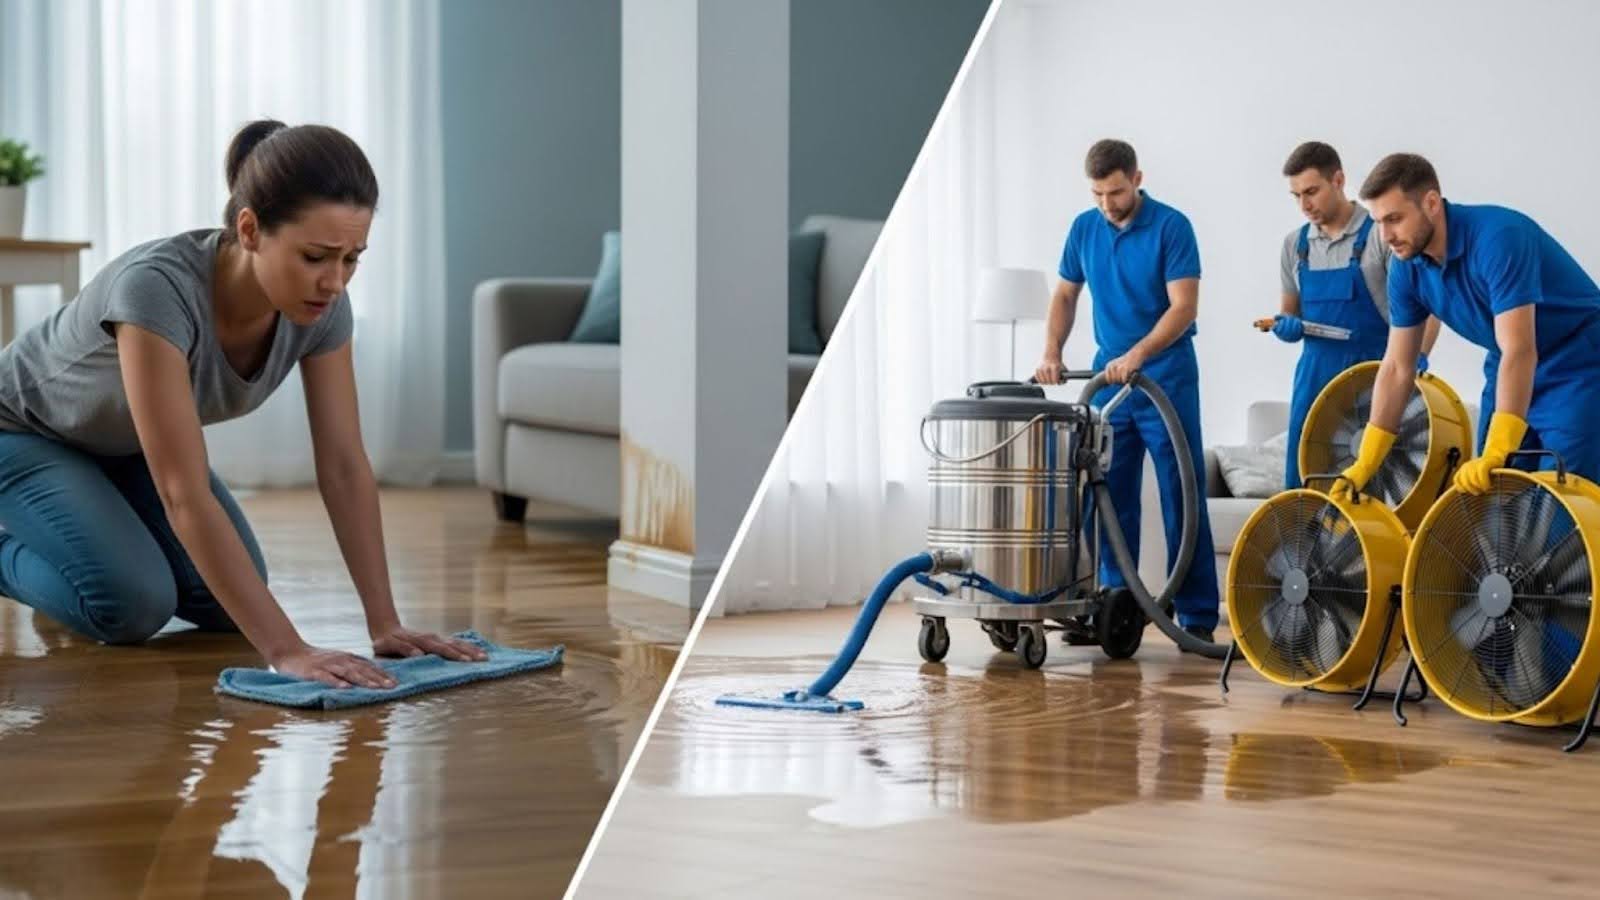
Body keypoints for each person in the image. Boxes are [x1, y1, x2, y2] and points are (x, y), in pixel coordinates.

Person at [0, 119, 485, 687]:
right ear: (251, 229)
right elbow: (181, 491)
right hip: (24, 432)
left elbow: (345, 466)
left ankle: (68, 554)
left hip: (119, 444)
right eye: (315, 257)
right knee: (132, 606)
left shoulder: (323, 311)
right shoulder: (154, 289)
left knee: (227, 603)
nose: (335, 282)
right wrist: (288, 650)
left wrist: (385, 623)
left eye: (352, 259)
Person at [1035, 139, 1219, 644]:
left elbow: (1184, 307)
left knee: (1180, 492)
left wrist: (1139, 354)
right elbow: (1066, 294)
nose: (1107, 204)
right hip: (1108, 380)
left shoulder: (1171, 226)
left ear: (1137, 178)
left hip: (1166, 374)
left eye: (1115, 192)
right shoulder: (1084, 228)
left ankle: (1198, 617)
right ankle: (1117, 612)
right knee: (1108, 495)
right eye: (1097, 194)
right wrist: (1052, 351)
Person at [1334, 152, 1600, 500]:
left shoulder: (1499, 238)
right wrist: (1365, 463)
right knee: (1493, 497)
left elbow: (1520, 348)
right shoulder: (1407, 267)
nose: (1386, 236)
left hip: (1578, 360)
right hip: (1505, 360)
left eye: (1395, 219)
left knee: (1566, 495)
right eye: (1378, 221)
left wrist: (1497, 450)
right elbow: (1398, 367)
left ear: (1431, 203)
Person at [1271, 141, 1439, 488]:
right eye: (1296, 196)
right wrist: (1284, 325)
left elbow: (1427, 306)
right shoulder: (1295, 246)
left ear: (1338, 180)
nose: (1305, 205)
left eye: (1312, 191)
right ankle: (1306, 544)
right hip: (1315, 377)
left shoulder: (1381, 233)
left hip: (1375, 374)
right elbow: (1289, 311)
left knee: (1378, 479)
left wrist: (1419, 354)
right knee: (1306, 477)